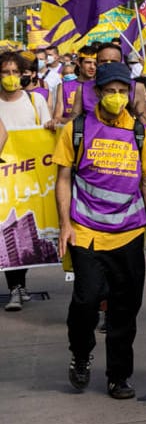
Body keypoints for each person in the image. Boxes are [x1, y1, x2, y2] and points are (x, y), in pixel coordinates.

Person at [52, 61, 146, 397]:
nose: (116, 97)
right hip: (85, 231)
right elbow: (62, 179)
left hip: (129, 233)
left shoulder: (140, 131)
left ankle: (118, 375)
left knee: (125, 310)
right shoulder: (77, 129)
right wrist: (64, 226)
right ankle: (81, 353)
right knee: (85, 301)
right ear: (97, 92)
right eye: (110, 91)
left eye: (121, 91)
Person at [1, 50, 53, 311]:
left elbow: (45, 134)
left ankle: (18, 286)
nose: (10, 77)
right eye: (5, 72)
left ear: (23, 75)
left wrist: (52, 127)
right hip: (3, 178)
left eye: (14, 72)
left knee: (25, 231)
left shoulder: (35, 101)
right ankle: (15, 287)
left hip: (30, 178)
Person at [50, 43, 98, 126]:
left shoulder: (100, 86)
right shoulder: (63, 86)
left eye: (95, 64)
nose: (92, 67)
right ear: (79, 62)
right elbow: (57, 118)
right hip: (71, 133)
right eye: (88, 62)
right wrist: (74, 121)